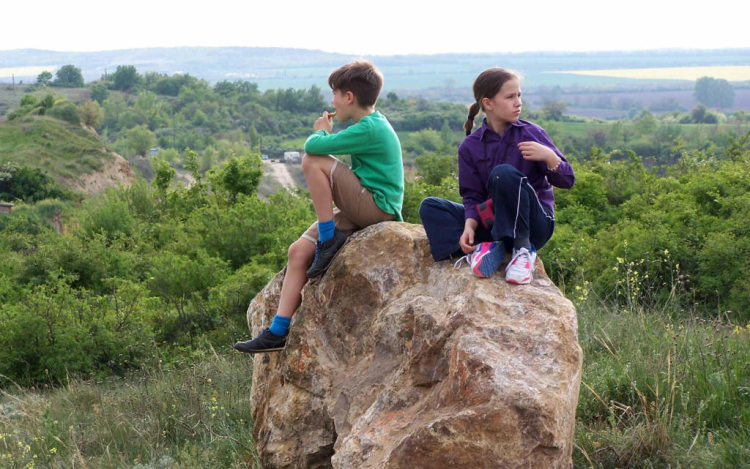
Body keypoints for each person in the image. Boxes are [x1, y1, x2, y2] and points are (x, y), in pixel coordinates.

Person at [235, 60, 404, 354]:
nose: (332, 101)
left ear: (349, 97)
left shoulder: (371, 128)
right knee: (298, 251)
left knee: (313, 161)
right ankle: (278, 331)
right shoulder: (366, 125)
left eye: (335, 94)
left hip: (377, 208)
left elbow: (313, 148)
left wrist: (321, 131)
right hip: (361, 205)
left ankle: (328, 237)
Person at [419, 68, 575, 284]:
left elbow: (568, 181)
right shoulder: (470, 146)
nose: (518, 102)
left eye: (519, 95)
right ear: (488, 103)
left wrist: (549, 157)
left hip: (534, 226)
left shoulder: (532, 133)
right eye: (510, 97)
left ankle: (522, 250)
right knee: (431, 207)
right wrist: (469, 227)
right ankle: (486, 248)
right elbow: (472, 196)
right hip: (494, 223)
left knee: (503, 174)